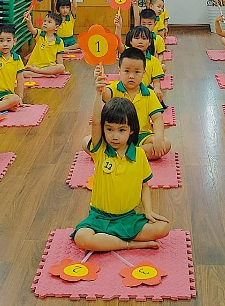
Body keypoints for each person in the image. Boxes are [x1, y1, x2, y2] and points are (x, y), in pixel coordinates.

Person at [73, 65, 171, 252]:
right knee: (82, 238)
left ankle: (109, 241)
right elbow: (96, 122)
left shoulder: (139, 154)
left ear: (132, 130)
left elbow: (144, 186)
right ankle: (129, 244)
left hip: (128, 218)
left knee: (163, 228)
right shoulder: (101, 150)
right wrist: (98, 93)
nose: (115, 136)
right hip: (99, 218)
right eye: (109, 129)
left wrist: (148, 211)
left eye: (121, 130)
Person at [101, 47, 171, 160]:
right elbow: (104, 94)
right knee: (87, 142)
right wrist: (100, 84)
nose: (131, 76)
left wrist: (158, 138)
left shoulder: (149, 94)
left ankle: (123, 154)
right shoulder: (114, 88)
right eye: (126, 71)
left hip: (141, 136)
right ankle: (132, 155)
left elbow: (157, 119)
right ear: (119, 71)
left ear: (144, 73)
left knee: (165, 143)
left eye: (137, 72)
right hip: (116, 135)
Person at [113, 17, 166, 104]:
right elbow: (118, 44)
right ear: (131, 41)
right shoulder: (127, 54)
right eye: (137, 38)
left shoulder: (154, 61)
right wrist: (118, 27)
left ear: (149, 42)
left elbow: (156, 81)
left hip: (144, 91)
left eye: (144, 39)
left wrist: (157, 89)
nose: (140, 41)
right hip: (126, 90)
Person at [24, 10, 67, 75]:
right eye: (44, 21)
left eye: (49, 22)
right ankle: (41, 74)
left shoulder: (59, 42)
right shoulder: (40, 34)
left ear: (56, 27)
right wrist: (29, 21)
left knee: (61, 67)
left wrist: (62, 71)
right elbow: (31, 29)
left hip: (48, 67)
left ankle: (39, 72)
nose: (45, 23)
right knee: (21, 73)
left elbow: (59, 58)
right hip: (34, 65)